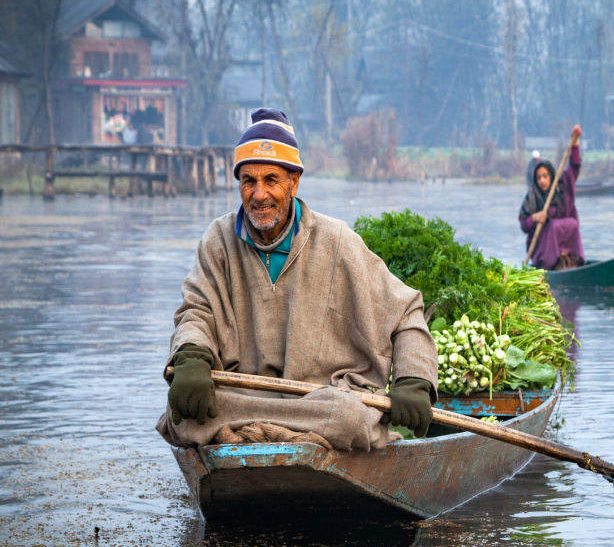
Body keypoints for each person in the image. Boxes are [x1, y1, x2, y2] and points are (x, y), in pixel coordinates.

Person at [158, 107, 438, 452]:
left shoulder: (336, 241)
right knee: (184, 413)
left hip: (318, 401)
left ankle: (262, 435)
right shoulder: (218, 240)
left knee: (347, 418)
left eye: (271, 180)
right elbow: (196, 311)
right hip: (244, 397)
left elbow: (407, 313)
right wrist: (191, 356)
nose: (259, 195)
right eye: (249, 181)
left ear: (294, 181)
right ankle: (286, 437)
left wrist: (414, 379)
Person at [519, 125, 584, 270]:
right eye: (539, 177)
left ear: (551, 176)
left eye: (545, 176)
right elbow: (524, 224)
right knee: (553, 226)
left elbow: (574, 166)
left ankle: (571, 260)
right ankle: (552, 264)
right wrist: (535, 217)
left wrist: (575, 143)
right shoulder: (532, 197)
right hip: (543, 249)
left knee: (571, 223)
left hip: (567, 244)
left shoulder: (562, 187)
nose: (542, 180)